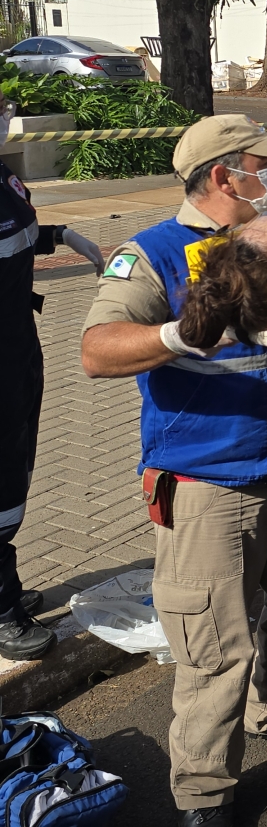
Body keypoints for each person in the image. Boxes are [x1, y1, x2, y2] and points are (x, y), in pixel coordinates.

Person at [80, 114, 267, 827]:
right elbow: (97, 349)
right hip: (207, 485)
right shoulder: (153, 253)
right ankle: (203, 792)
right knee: (214, 648)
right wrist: (179, 335)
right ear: (225, 175)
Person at [0, 92, 103, 661]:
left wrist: (62, 235)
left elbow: (17, 233)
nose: (8, 118)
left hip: (17, 348)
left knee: (14, 471)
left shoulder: (4, 179)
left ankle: (5, 584)